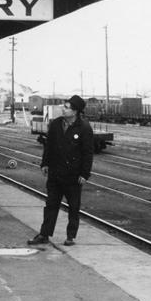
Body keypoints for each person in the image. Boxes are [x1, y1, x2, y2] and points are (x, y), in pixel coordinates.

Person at [28, 95, 94, 246]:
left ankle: (70, 236)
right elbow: (48, 146)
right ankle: (44, 234)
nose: (63, 109)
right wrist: (45, 163)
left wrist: (85, 174)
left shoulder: (84, 128)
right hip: (56, 173)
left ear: (75, 111)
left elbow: (87, 153)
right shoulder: (56, 124)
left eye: (66, 107)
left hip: (73, 176)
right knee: (51, 205)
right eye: (64, 107)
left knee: (73, 207)